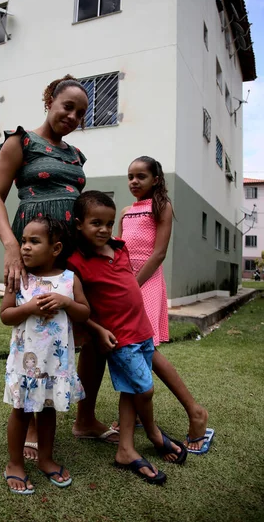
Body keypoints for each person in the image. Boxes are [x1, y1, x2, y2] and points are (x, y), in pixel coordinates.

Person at [0, 74, 118, 461]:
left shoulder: (76, 155)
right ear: (50, 100)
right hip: (35, 252)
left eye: (81, 112)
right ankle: (29, 421)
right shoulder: (20, 141)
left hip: (75, 255)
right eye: (68, 107)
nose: (74, 116)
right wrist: (12, 247)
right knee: (36, 331)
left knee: (90, 332)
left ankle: (85, 418)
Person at [68, 191, 187, 484]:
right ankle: (155, 435)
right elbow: (81, 309)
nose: (105, 229)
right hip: (120, 339)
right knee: (144, 390)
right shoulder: (76, 263)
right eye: (96, 223)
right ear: (79, 224)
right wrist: (97, 330)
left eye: (109, 223)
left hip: (142, 331)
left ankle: (125, 449)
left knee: (131, 391)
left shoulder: (119, 248)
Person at [112, 156, 211, 454]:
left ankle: (195, 410)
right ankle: (134, 417)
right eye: (130, 176)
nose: (134, 181)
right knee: (134, 349)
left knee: (146, 349)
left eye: (141, 176)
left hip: (147, 283)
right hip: (126, 285)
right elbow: (119, 251)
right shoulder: (126, 212)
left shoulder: (162, 207)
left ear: (156, 179)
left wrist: (132, 286)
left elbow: (158, 254)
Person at [1, 216, 90, 494]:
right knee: (21, 412)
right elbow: (5, 315)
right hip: (25, 365)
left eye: (34, 241)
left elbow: (84, 312)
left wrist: (66, 302)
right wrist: (28, 308)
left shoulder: (68, 279)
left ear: (56, 248)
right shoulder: (19, 278)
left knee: (48, 412)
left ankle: (45, 458)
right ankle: (15, 463)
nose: (25, 247)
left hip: (55, 365)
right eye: (23, 241)